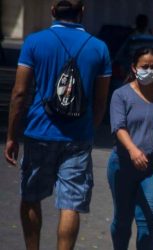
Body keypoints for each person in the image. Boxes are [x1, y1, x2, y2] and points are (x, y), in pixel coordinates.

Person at [3, 1, 111, 249]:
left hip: (39, 131)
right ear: (81, 12)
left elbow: (20, 93)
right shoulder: (99, 48)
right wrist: (89, 129)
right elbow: (101, 99)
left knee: (31, 197)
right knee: (70, 205)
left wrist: (11, 135)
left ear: (53, 11)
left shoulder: (34, 42)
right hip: (77, 137)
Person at [108, 47, 153, 250]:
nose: (149, 70)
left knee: (147, 222)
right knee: (122, 220)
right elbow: (118, 127)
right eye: (144, 66)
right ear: (134, 68)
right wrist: (132, 150)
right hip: (123, 165)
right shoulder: (121, 95)